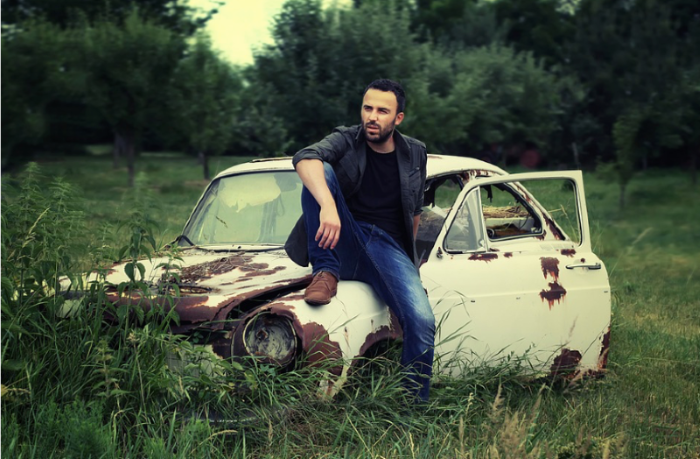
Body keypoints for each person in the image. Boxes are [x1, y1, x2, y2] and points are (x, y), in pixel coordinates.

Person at [284, 79, 435, 403]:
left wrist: (410, 268)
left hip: (387, 248)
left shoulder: (415, 152)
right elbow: (305, 158)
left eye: (382, 111)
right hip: (345, 236)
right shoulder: (346, 139)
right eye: (368, 108)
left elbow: (415, 212)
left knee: (422, 320)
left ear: (398, 118)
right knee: (320, 171)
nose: (372, 117)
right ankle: (325, 271)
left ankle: (413, 407)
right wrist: (328, 205)